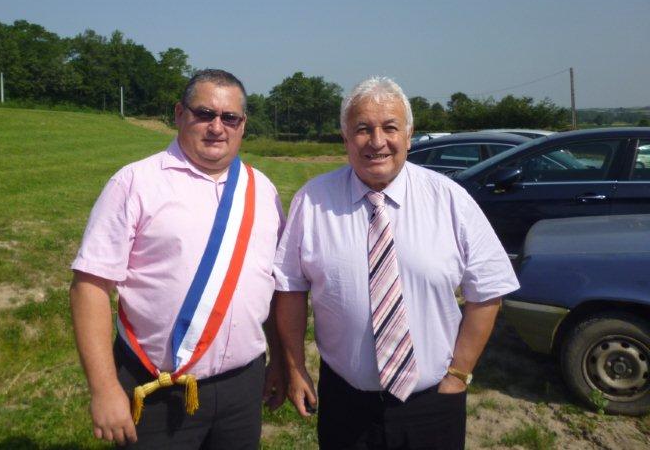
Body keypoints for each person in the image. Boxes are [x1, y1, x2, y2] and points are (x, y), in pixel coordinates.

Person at [274, 76, 519, 450]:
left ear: (409, 134)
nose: (377, 141)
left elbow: (488, 291)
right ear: (345, 137)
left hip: (433, 404)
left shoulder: (450, 199)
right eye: (362, 129)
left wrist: (459, 374)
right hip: (345, 402)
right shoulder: (313, 201)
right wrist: (295, 368)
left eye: (390, 127)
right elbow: (290, 289)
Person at [70, 69, 285, 449]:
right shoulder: (135, 183)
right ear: (179, 114)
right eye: (204, 113)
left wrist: (280, 361)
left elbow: (273, 286)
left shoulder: (262, 190)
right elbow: (90, 286)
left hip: (242, 387)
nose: (217, 127)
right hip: (156, 388)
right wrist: (104, 388)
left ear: (243, 124)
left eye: (229, 118)